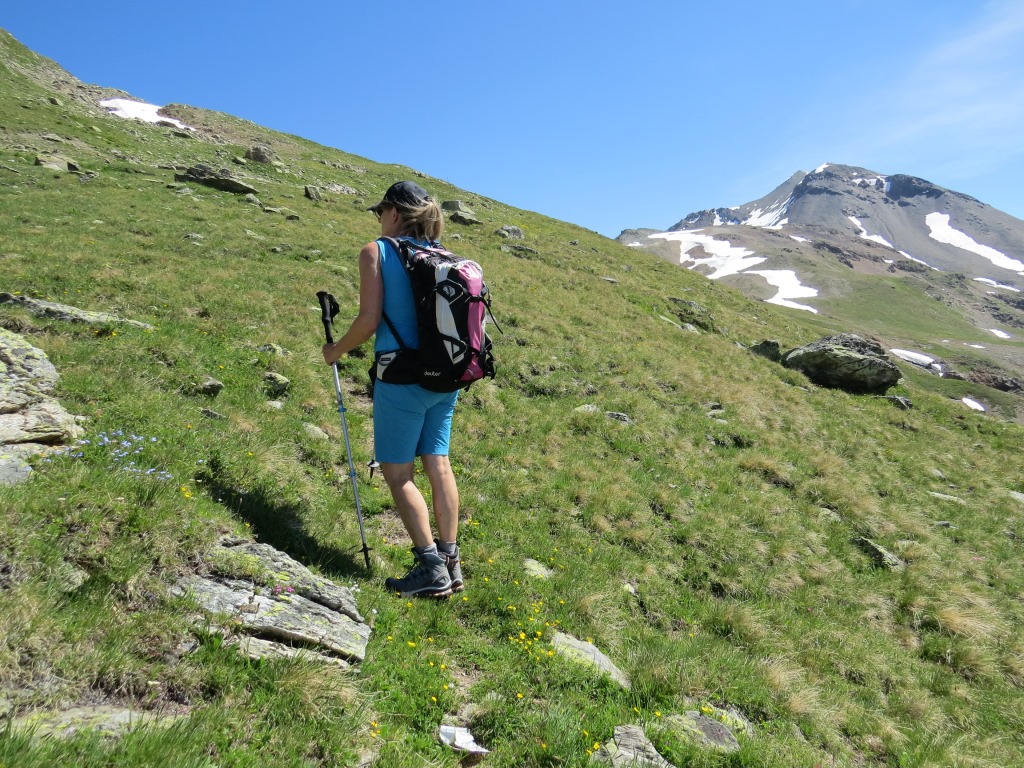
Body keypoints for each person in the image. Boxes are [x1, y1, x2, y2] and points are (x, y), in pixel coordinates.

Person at [322, 181, 463, 599]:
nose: (378, 218)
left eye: (380, 211)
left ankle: (431, 569)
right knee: (439, 463)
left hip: (402, 377)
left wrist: (335, 351)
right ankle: (451, 561)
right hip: (448, 375)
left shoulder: (378, 251)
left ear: (394, 213)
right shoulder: (445, 256)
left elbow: (368, 321)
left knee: (398, 474)